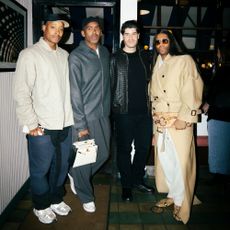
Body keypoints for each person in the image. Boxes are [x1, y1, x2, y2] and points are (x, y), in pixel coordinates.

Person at [13, 14, 74, 224]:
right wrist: (31, 124)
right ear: (43, 28)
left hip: (65, 123)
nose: (57, 32)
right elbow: (21, 91)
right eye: (53, 27)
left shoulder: (65, 55)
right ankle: (41, 205)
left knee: (61, 166)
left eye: (61, 28)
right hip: (42, 125)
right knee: (40, 170)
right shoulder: (30, 54)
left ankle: (56, 199)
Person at [149, 30, 203, 224]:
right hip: (161, 124)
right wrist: (155, 129)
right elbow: (153, 99)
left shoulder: (184, 60)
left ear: (172, 42)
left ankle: (182, 201)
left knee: (182, 163)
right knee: (167, 161)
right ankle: (173, 194)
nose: (161, 44)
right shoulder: (156, 64)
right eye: (157, 42)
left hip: (179, 122)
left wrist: (186, 117)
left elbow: (193, 87)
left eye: (165, 40)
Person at [68, 17, 111, 213]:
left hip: (103, 114)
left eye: (97, 29)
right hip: (85, 116)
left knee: (103, 154)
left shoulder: (104, 52)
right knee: (86, 158)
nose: (94, 32)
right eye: (89, 29)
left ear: (100, 33)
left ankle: (76, 175)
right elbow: (74, 92)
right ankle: (85, 195)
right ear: (83, 33)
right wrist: (80, 124)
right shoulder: (76, 56)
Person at [110, 20, 154, 202]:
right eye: (126, 34)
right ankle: (126, 186)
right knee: (124, 150)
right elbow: (110, 86)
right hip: (123, 113)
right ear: (123, 36)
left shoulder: (146, 57)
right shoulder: (114, 58)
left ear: (138, 36)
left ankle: (137, 180)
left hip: (145, 113)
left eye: (133, 33)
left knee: (143, 149)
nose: (130, 37)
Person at [202, 41, 230, 184]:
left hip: (219, 113)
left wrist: (206, 104)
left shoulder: (223, 71)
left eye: (219, 51)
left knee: (219, 146)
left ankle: (220, 175)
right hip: (226, 113)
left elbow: (214, 92)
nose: (217, 54)